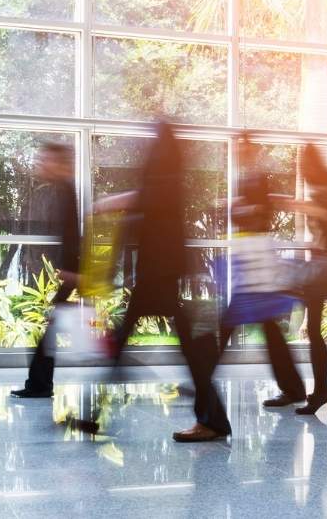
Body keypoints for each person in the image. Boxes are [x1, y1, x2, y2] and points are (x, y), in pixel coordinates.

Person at [77, 122, 231, 442]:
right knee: (182, 352)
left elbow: (147, 199)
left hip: (158, 277)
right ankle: (213, 420)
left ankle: (213, 421)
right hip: (162, 275)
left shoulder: (163, 181)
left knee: (172, 351)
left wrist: (109, 203)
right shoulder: (171, 179)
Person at [214, 134, 307, 408]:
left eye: (243, 148)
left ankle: (202, 377)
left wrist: (239, 208)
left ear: (251, 150)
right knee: (262, 329)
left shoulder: (255, 178)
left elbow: (259, 214)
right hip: (250, 259)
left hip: (255, 261)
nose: (239, 152)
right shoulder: (248, 178)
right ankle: (293, 388)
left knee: (232, 323)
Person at [275, 143, 327, 416]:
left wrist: (296, 204)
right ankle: (320, 391)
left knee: (314, 331)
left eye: (304, 165)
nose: (302, 171)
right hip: (318, 262)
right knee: (315, 331)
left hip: (323, 263)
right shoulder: (325, 187)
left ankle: (320, 390)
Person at [11, 141, 80, 399]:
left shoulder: (66, 189)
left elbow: (73, 233)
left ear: (59, 163)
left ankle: (39, 384)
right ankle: (39, 383)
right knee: (51, 329)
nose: (41, 164)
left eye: (46, 159)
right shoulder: (61, 189)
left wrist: (71, 269)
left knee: (51, 329)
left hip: (72, 272)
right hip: (70, 271)